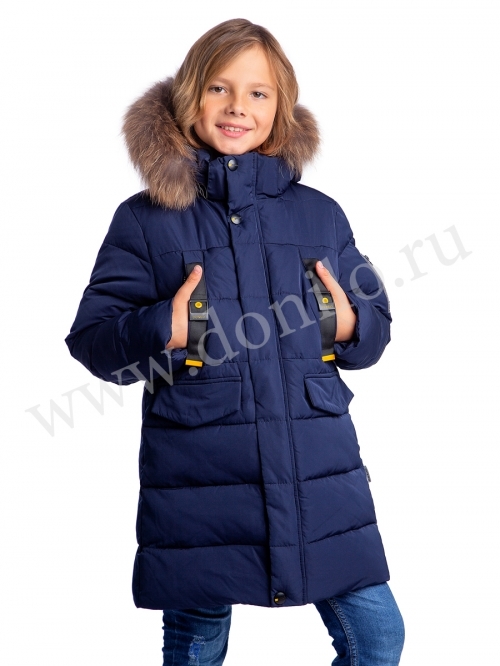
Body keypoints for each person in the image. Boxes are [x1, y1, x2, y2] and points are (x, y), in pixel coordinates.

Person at [65, 18, 404, 666]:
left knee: (378, 638)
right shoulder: (145, 220)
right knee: (198, 646)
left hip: (317, 472)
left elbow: (375, 327)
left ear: (281, 108)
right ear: (190, 97)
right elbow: (93, 340)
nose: (237, 106)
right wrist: (162, 328)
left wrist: (347, 322)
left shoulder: (320, 214)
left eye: (258, 92)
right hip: (199, 478)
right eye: (219, 88)